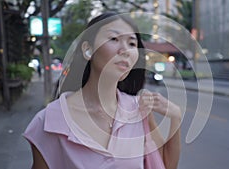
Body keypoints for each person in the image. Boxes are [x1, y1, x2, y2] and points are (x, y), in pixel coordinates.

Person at [23, 12, 182, 169]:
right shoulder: (49, 121)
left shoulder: (139, 111)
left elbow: (164, 165)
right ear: (88, 50)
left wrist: (175, 116)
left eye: (132, 43)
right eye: (114, 39)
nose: (125, 50)